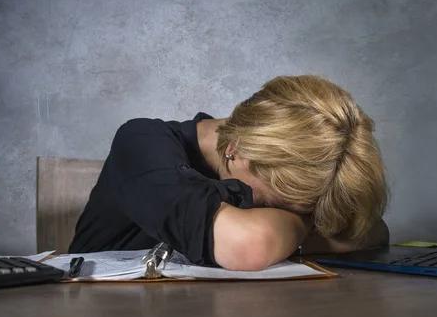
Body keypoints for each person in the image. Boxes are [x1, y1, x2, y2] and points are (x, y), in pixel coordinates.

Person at [69, 75, 389, 271]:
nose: (269, 215)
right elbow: (248, 243)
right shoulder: (139, 141)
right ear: (236, 149)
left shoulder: (264, 164)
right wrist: (308, 225)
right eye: (273, 204)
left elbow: (370, 232)